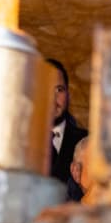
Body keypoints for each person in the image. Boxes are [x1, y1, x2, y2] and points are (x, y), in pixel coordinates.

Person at [45, 57, 87, 202]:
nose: (53, 97)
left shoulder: (88, 144)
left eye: (59, 89)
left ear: (68, 95)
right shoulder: (19, 144)